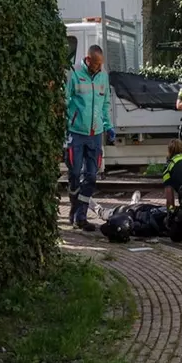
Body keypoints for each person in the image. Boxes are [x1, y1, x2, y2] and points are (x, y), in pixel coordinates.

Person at [65, 44, 115, 231]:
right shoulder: (75, 75)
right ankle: (74, 209)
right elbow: (65, 100)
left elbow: (105, 104)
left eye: (101, 64)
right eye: (96, 64)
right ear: (88, 60)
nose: (99, 67)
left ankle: (81, 216)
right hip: (77, 133)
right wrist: (66, 124)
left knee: (91, 176)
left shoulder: (103, 77)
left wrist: (108, 126)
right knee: (75, 174)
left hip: (95, 135)